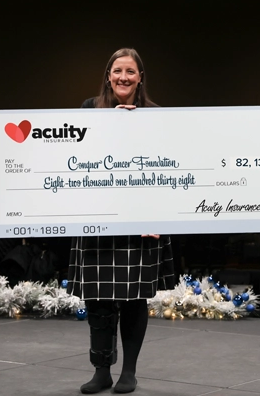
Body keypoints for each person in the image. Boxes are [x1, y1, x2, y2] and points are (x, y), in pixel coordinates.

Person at [67, 47, 175, 394]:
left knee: (133, 299)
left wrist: (159, 215)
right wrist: (110, 122)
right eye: (117, 71)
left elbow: (167, 166)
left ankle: (128, 372)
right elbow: (76, 155)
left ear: (140, 77)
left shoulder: (156, 115)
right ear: (108, 76)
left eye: (130, 71)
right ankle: (102, 370)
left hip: (140, 221)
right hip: (98, 217)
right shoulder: (89, 109)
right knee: (97, 300)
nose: (123, 78)